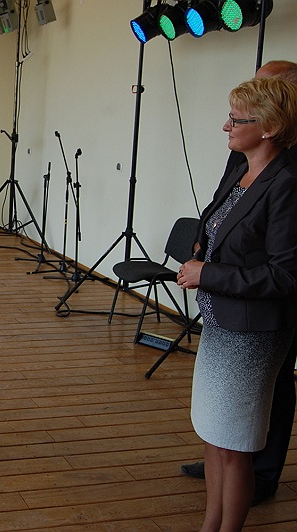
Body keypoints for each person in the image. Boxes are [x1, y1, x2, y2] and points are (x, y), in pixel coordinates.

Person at [176, 77, 297, 531]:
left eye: (235, 119)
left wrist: (207, 274)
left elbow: (285, 275)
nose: (226, 126)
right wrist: (203, 248)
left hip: (252, 335)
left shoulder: (287, 183)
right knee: (214, 439)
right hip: (221, 323)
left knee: (234, 446)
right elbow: (221, 225)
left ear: (269, 127)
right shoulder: (242, 170)